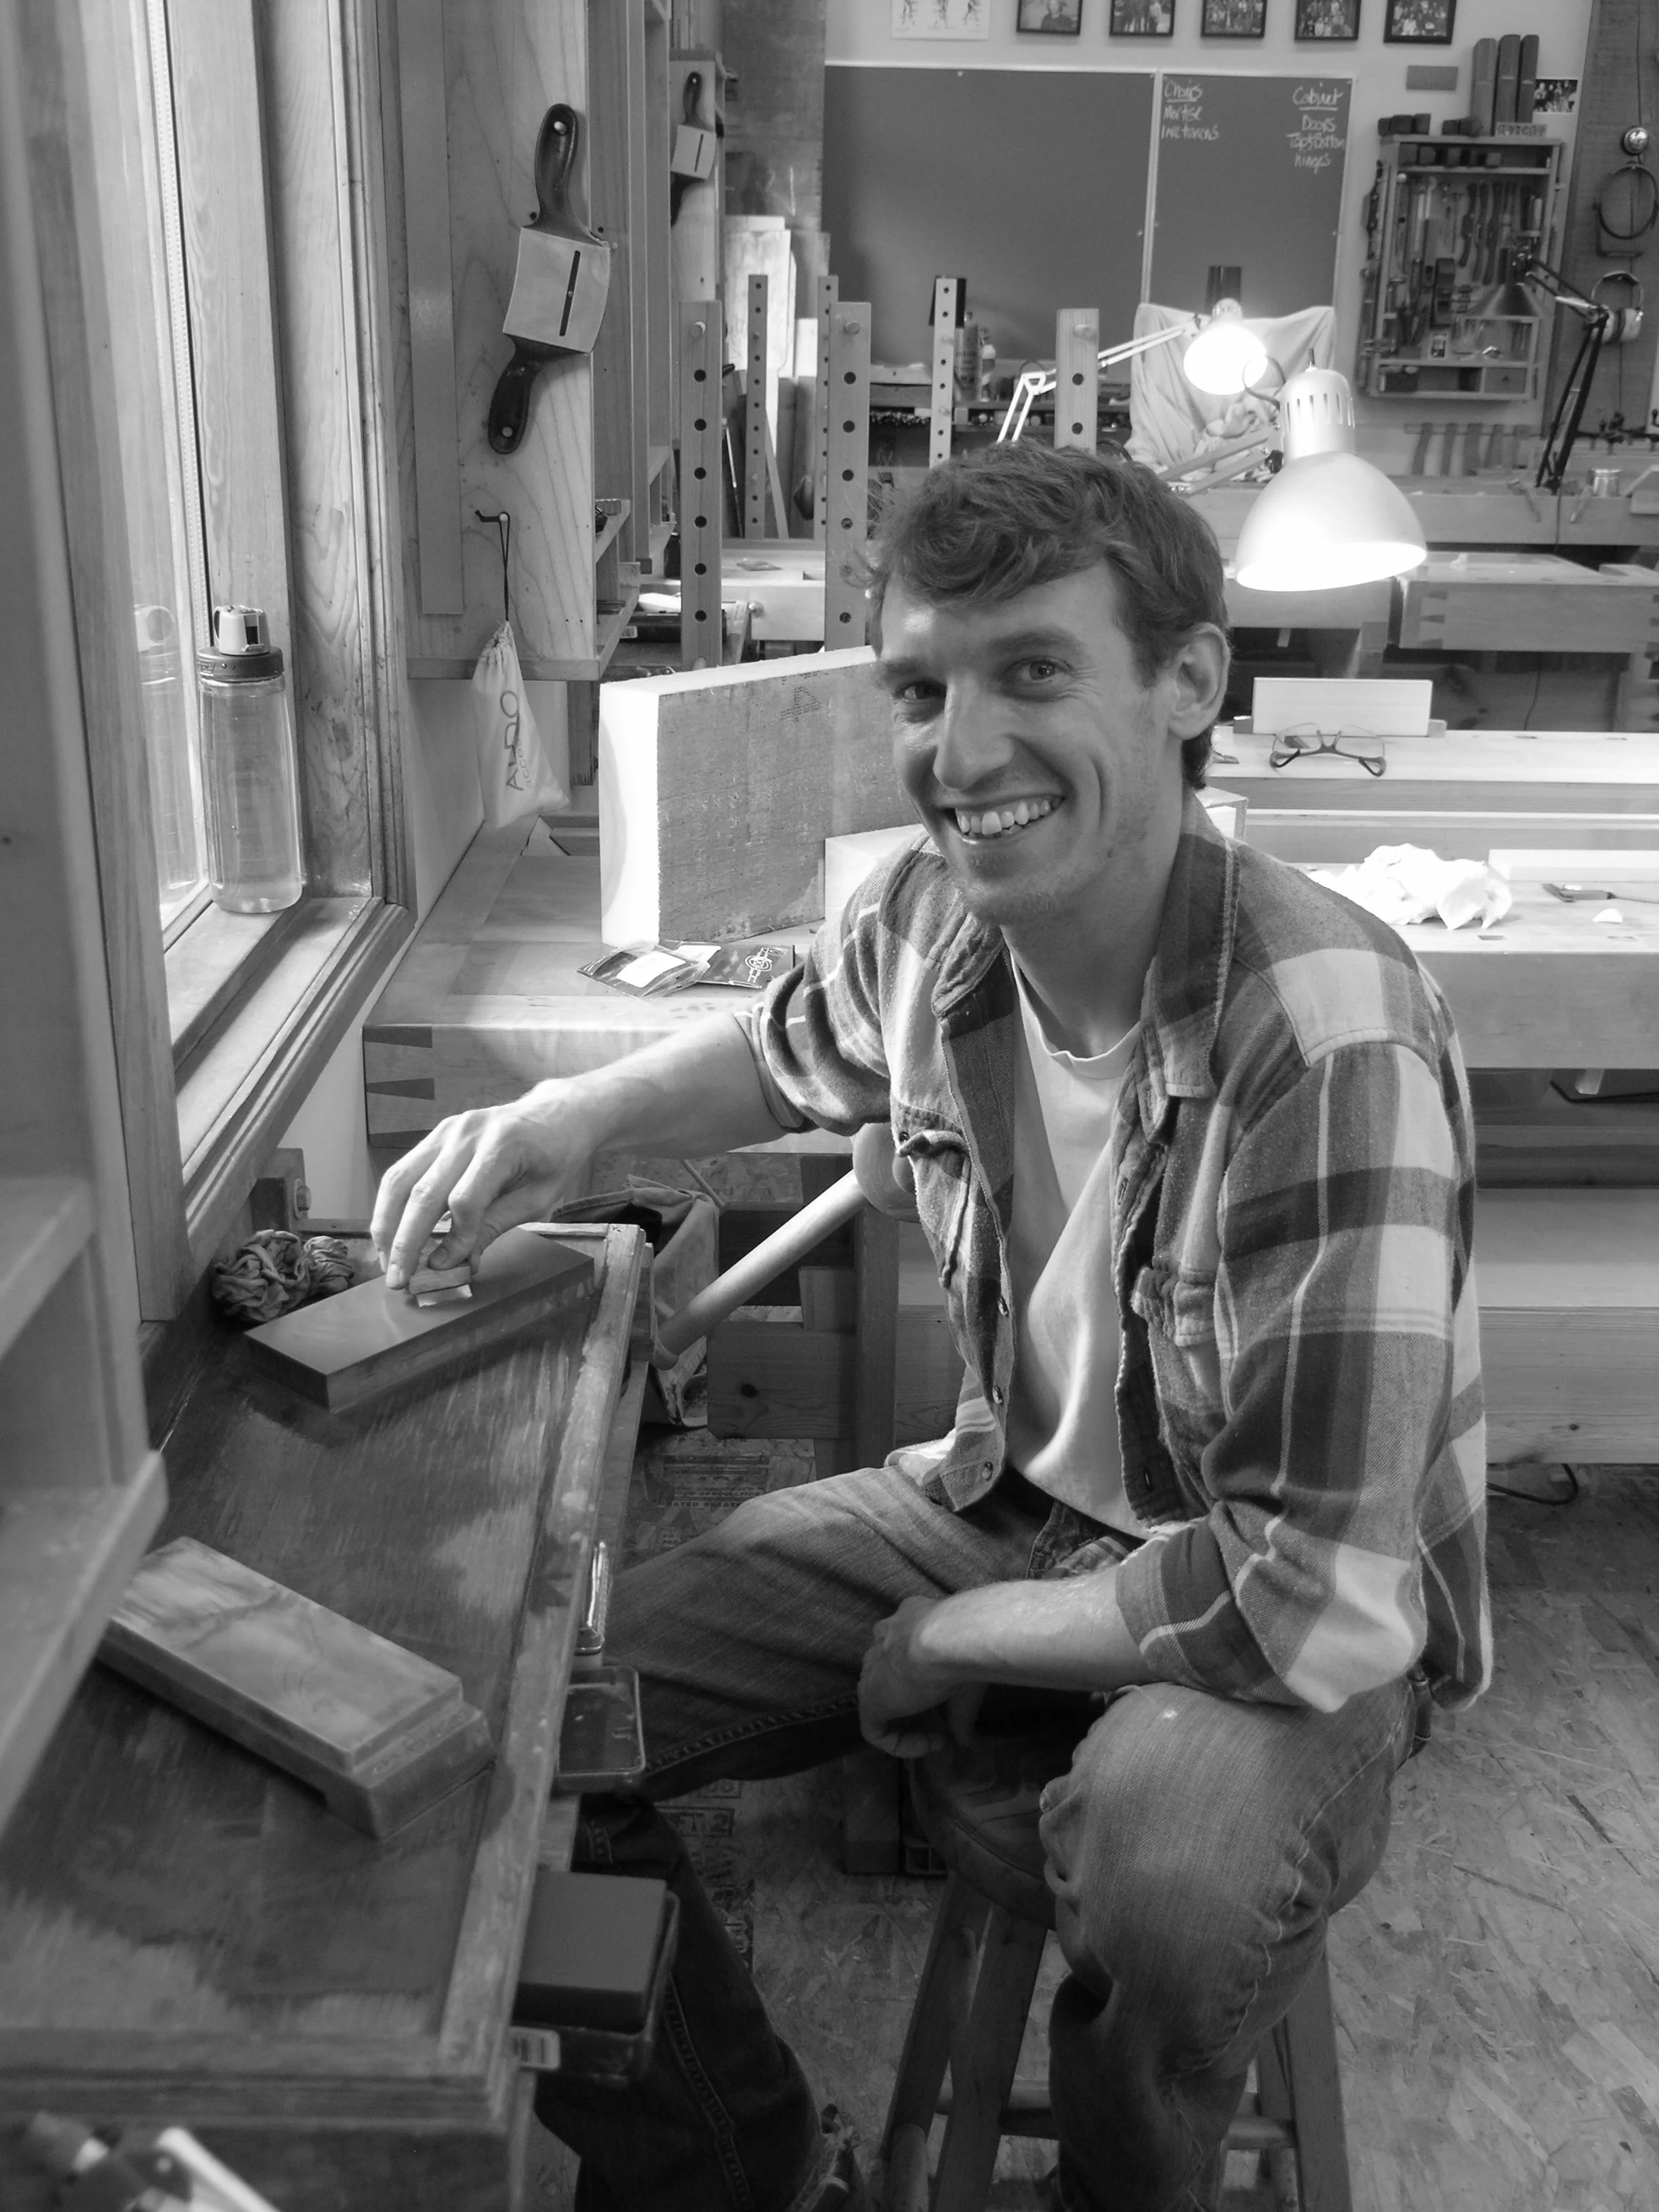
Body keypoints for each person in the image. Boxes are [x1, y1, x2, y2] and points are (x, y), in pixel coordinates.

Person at [372, 443, 1490, 2212]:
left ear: (1190, 681)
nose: (961, 756)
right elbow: (782, 1049)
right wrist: (569, 1125)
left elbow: (1309, 1595)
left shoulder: (1321, 1031)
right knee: (518, 1740)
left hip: (1286, 1601)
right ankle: (747, 2176)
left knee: (1173, 1879)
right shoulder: (933, 919)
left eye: (1032, 672)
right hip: (1005, 1504)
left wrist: (960, 1638)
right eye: (922, 688)